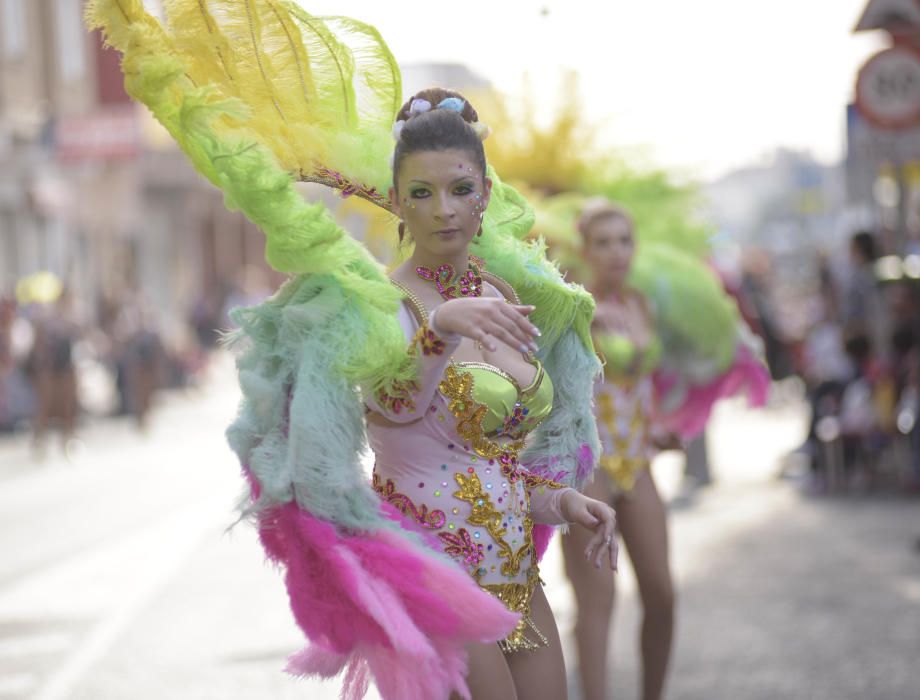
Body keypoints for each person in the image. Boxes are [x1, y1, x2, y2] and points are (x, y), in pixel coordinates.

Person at [88, 4, 616, 699]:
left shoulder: (504, 295)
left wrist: (562, 502)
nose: (444, 209)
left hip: (517, 579)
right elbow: (391, 410)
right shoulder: (379, 308)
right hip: (435, 585)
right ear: (396, 202)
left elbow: (492, 462)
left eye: (461, 189)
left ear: (486, 195)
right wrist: (441, 329)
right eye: (422, 193)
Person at [562, 201, 674, 700]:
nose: (616, 252)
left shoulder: (641, 305)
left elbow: (644, 388)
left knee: (663, 594)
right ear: (586, 251)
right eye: (603, 242)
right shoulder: (570, 307)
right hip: (589, 465)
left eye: (624, 240)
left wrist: (664, 429)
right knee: (598, 600)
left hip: (639, 460)